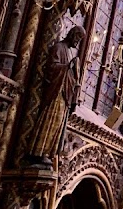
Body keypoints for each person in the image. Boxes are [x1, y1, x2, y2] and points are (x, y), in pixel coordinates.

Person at [27, 25, 85, 165]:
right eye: (77, 37)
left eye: (80, 39)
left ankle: (47, 152)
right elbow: (52, 67)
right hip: (56, 92)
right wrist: (68, 67)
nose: (77, 41)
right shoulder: (59, 47)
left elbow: (71, 74)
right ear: (72, 34)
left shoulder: (70, 52)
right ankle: (38, 152)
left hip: (65, 93)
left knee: (58, 124)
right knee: (50, 120)